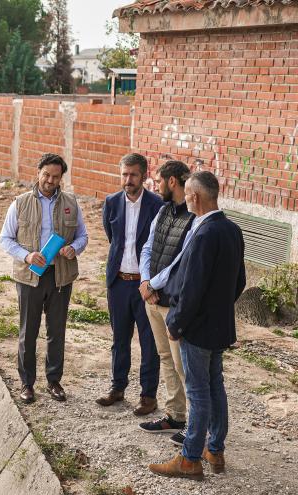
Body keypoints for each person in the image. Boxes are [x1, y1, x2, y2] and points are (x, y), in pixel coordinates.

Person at [148, 171, 246, 480]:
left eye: (188, 194)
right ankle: (214, 450)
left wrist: (175, 323)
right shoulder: (232, 229)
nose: (186, 199)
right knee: (215, 387)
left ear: (195, 197)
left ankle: (190, 458)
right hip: (219, 325)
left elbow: (191, 288)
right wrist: (218, 308)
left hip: (198, 328)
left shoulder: (204, 234)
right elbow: (239, 282)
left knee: (199, 392)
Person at [0, 153, 89, 403]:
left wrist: (75, 248)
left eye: (55, 176)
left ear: (62, 178)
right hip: (30, 277)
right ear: (38, 173)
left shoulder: (71, 202)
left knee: (56, 330)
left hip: (60, 276)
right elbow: (5, 239)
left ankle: (54, 381)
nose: (50, 180)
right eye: (46, 174)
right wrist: (27, 256)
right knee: (28, 332)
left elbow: (83, 236)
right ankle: (27, 384)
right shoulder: (20, 202)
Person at [96, 154, 163, 415]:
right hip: (119, 282)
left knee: (149, 342)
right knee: (119, 338)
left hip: (145, 286)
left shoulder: (156, 205)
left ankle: (148, 395)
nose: (128, 180)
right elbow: (112, 237)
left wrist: (151, 282)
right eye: (124, 174)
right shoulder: (112, 202)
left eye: (133, 175)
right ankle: (117, 387)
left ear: (144, 176)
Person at [136, 160, 195, 445]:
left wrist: (152, 284)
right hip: (152, 298)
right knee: (166, 359)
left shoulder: (194, 218)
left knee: (184, 365)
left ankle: (195, 428)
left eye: (159, 180)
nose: (155, 185)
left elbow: (180, 263)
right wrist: (145, 281)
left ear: (172, 181)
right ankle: (175, 416)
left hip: (172, 303)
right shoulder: (162, 211)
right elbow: (148, 248)